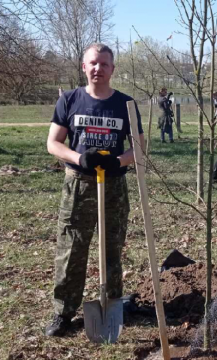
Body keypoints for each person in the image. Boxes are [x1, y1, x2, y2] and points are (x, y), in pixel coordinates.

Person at [45, 43, 144, 337]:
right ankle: (63, 312)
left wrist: (119, 161)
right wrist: (79, 158)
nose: (98, 68)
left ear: (112, 69)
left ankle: (112, 304)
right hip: (79, 186)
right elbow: (53, 143)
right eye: (93, 63)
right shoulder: (70, 100)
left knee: (112, 248)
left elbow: (140, 148)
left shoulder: (126, 104)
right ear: (84, 67)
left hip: (114, 186)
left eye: (104, 64)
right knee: (71, 249)